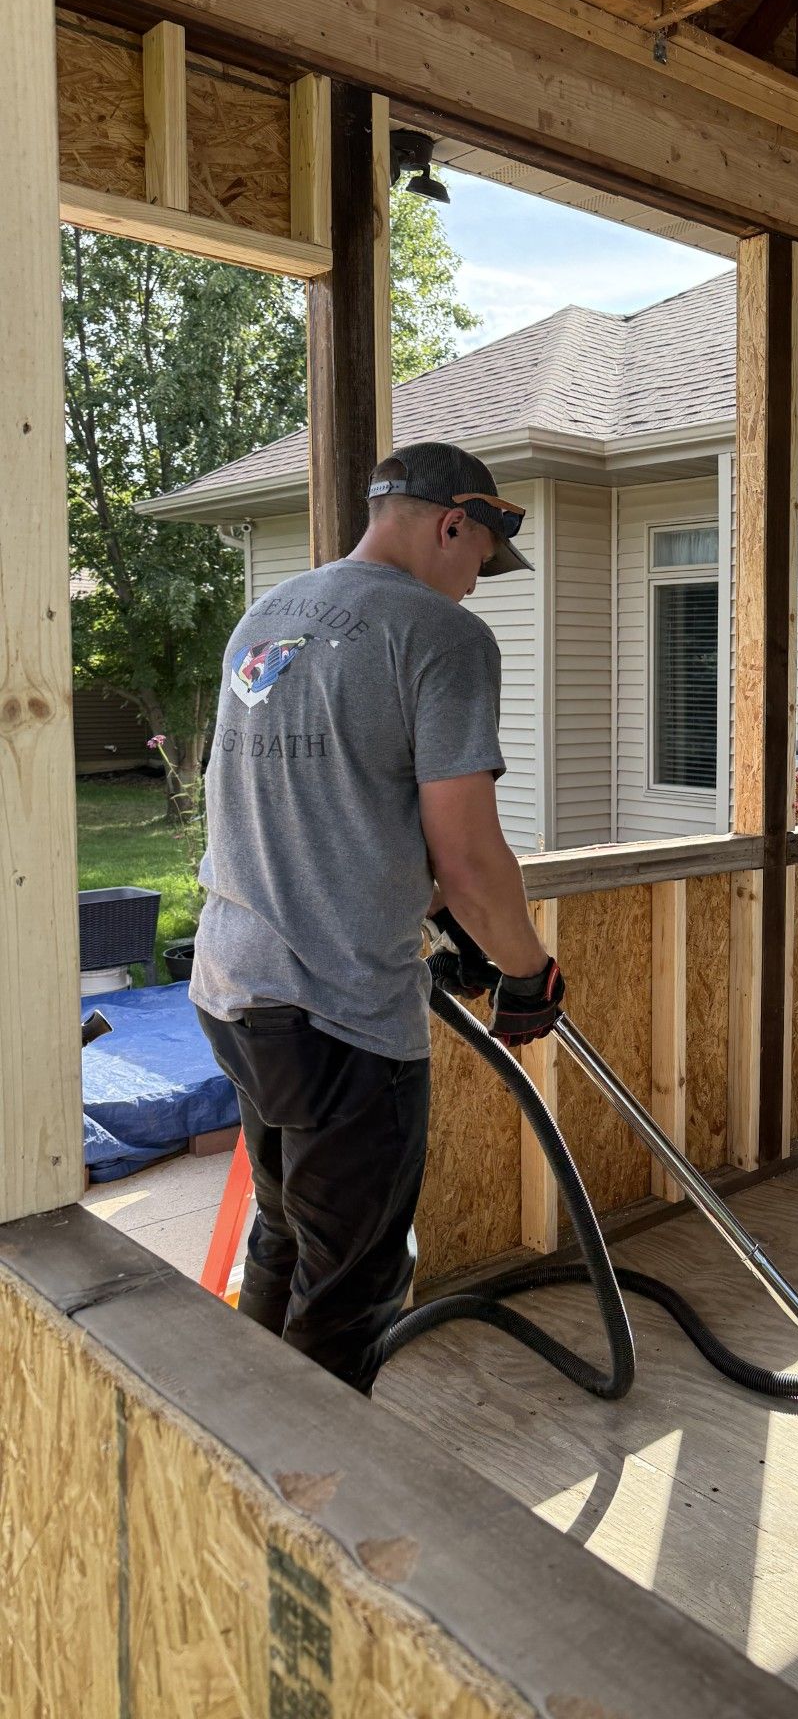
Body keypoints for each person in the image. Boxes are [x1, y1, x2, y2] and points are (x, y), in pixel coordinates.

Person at [190, 440, 565, 1395]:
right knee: (354, 1285)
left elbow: (315, 808)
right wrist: (526, 973)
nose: (476, 587)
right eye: (480, 560)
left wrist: (426, 902)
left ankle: (246, 1453)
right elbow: (471, 858)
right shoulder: (439, 636)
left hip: (233, 990)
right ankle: (312, 1517)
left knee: (286, 1235)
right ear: (453, 523)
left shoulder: (266, 619)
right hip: (340, 1016)